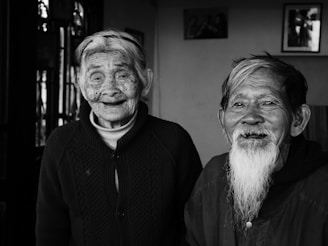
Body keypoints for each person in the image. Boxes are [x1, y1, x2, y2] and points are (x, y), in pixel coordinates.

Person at [36, 28, 202, 246]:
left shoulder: (174, 140)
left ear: (145, 81)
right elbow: (50, 233)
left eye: (122, 75)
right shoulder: (61, 144)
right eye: (96, 77)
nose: (110, 89)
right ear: (81, 86)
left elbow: (196, 226)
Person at [184, 53, 328, 245]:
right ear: (222, 120)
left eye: (268, 103)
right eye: (239, 104)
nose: (250, 117)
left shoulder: (322, 189)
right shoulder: (212, 177)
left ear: (298, 120)